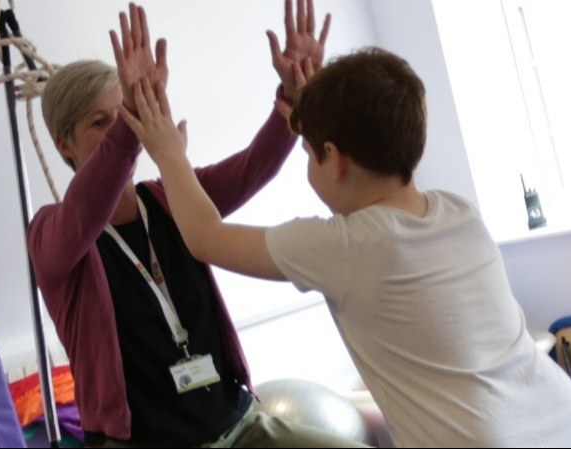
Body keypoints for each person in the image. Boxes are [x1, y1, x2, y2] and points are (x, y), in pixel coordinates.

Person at [125, 47, 571, 448]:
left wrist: (167, 151)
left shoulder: (343, 248)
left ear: (336, 158)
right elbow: (369, 217)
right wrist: (317, 110)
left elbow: (203, 237)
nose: (308, 161)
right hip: (564, 421)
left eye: (310, 152)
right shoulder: (458, 213)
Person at [25, 2, 365, 448]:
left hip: (239, 427)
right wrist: (130, 123)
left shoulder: (168, 197)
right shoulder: (52, 234)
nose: (121, 130)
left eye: (125, 114)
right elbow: (87, 207)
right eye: (100, 123)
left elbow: (251, 169)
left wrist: (293, 97)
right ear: (62, 143)